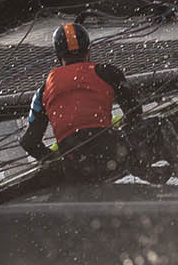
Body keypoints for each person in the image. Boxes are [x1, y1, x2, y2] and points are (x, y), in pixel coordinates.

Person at [19, 22, 143, 183]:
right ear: (88, 51)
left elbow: (29, 142)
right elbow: (134, 112)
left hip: (75, 169)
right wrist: (123, 125)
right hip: (113, 154)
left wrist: (53, 158)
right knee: (159, 125)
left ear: (58, 57)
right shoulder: (107, 72)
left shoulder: (43, 91)